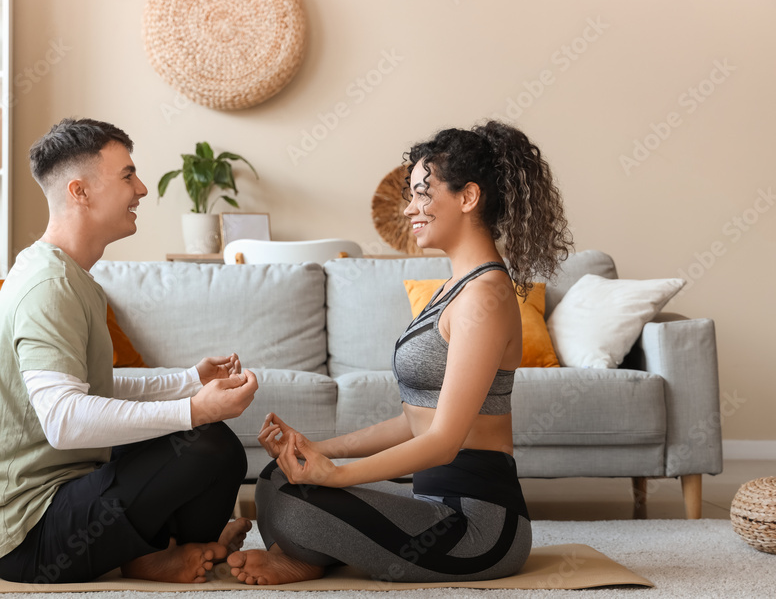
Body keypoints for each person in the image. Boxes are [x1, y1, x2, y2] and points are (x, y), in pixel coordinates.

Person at [228, 121, 573, 585]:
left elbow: (444, 440)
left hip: (479, 528)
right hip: (432, 506)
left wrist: (337, 477)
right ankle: (314, 549)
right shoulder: (455, 288)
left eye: (421, 193)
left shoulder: (484, 298)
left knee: (299, 497)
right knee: (278, 478)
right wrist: (317, 450)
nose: (410, 208)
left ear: (468, 197)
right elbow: (416, 421)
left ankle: (308, 554)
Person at [0, 117, 258, 585]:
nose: (141, 188)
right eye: (127, 176)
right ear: (79, 191)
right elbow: (63, 419)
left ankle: (169, 551)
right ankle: (154, 553)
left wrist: (188, 382)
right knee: (206, 443)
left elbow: (93, 387)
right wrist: (192, 410)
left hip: (66, 490)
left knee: (207, 437)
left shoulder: (67, 275)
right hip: (28, 535)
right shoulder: (50, 285)